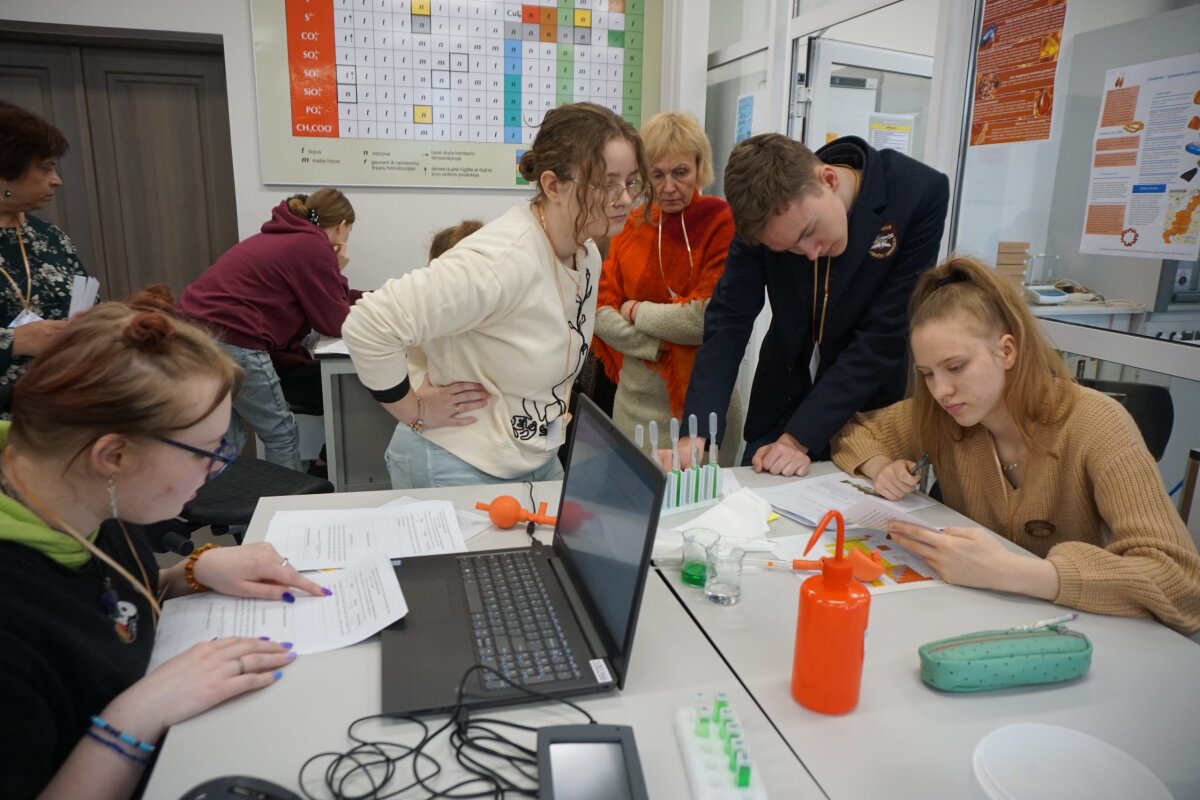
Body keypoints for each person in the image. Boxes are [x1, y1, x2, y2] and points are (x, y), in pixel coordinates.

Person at [0, 287, 329, 799]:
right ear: (114, 456)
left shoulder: (77, 490)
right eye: (205, 452)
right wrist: (136, 715)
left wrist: (187, 574)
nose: (217, 469)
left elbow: (97, 605)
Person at [831, 256, 1200, 633]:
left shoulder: (1097, 423)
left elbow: (1181, 583)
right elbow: (852, 431)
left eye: (956, 367)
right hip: (973, 620)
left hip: (1083, 633)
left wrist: (1012, 572)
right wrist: (880, 466)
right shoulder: (945, 415)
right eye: (928, 374)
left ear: (1007, 351)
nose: (941, 391)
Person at [342, 102, 648, 489]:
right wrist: (413, 410)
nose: (625, 199)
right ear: (553, 185)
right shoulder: (501, 260)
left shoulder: (586, 254)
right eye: (606, 183)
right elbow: (368, 324)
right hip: (457, 458)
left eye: (631, 182)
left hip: (531, 457)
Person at [677, 133, 949, 476]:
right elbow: (729, 318)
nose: (809, 253)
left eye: (808, 232)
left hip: (866, 410)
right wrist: (696, 434)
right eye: (789, 249)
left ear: (829, 180)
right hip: (780, 400)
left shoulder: (917, 193)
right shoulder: (759, 212)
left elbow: (883, 337)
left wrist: (798, 439)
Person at [592, 112, 742, 467]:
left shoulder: (721, 222)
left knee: (701, 500)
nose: (669, 186)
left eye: (680, 172)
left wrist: (635, 310)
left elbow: (705, 319)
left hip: (701, 409)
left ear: (700, 167)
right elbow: (599, 312)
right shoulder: (631, 225)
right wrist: (657, 346)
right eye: (657, 174)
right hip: (633, 407)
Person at [178, 188, 362, 472]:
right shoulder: (314, 246)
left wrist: (370, 297)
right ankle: (287, 500)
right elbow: (334, 321)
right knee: (280, 434)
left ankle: (226, 501)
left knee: (227, 437)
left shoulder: (287, 236)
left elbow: (322, 295)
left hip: (196, 337)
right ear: (342, 226)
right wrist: (336, 269)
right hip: (235, 340)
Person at [0, 101, 97, 394]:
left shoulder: (49, 236)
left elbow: (89, 303)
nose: (57, 181)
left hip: (62, 397)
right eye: (45, 169)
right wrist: (15, 342)